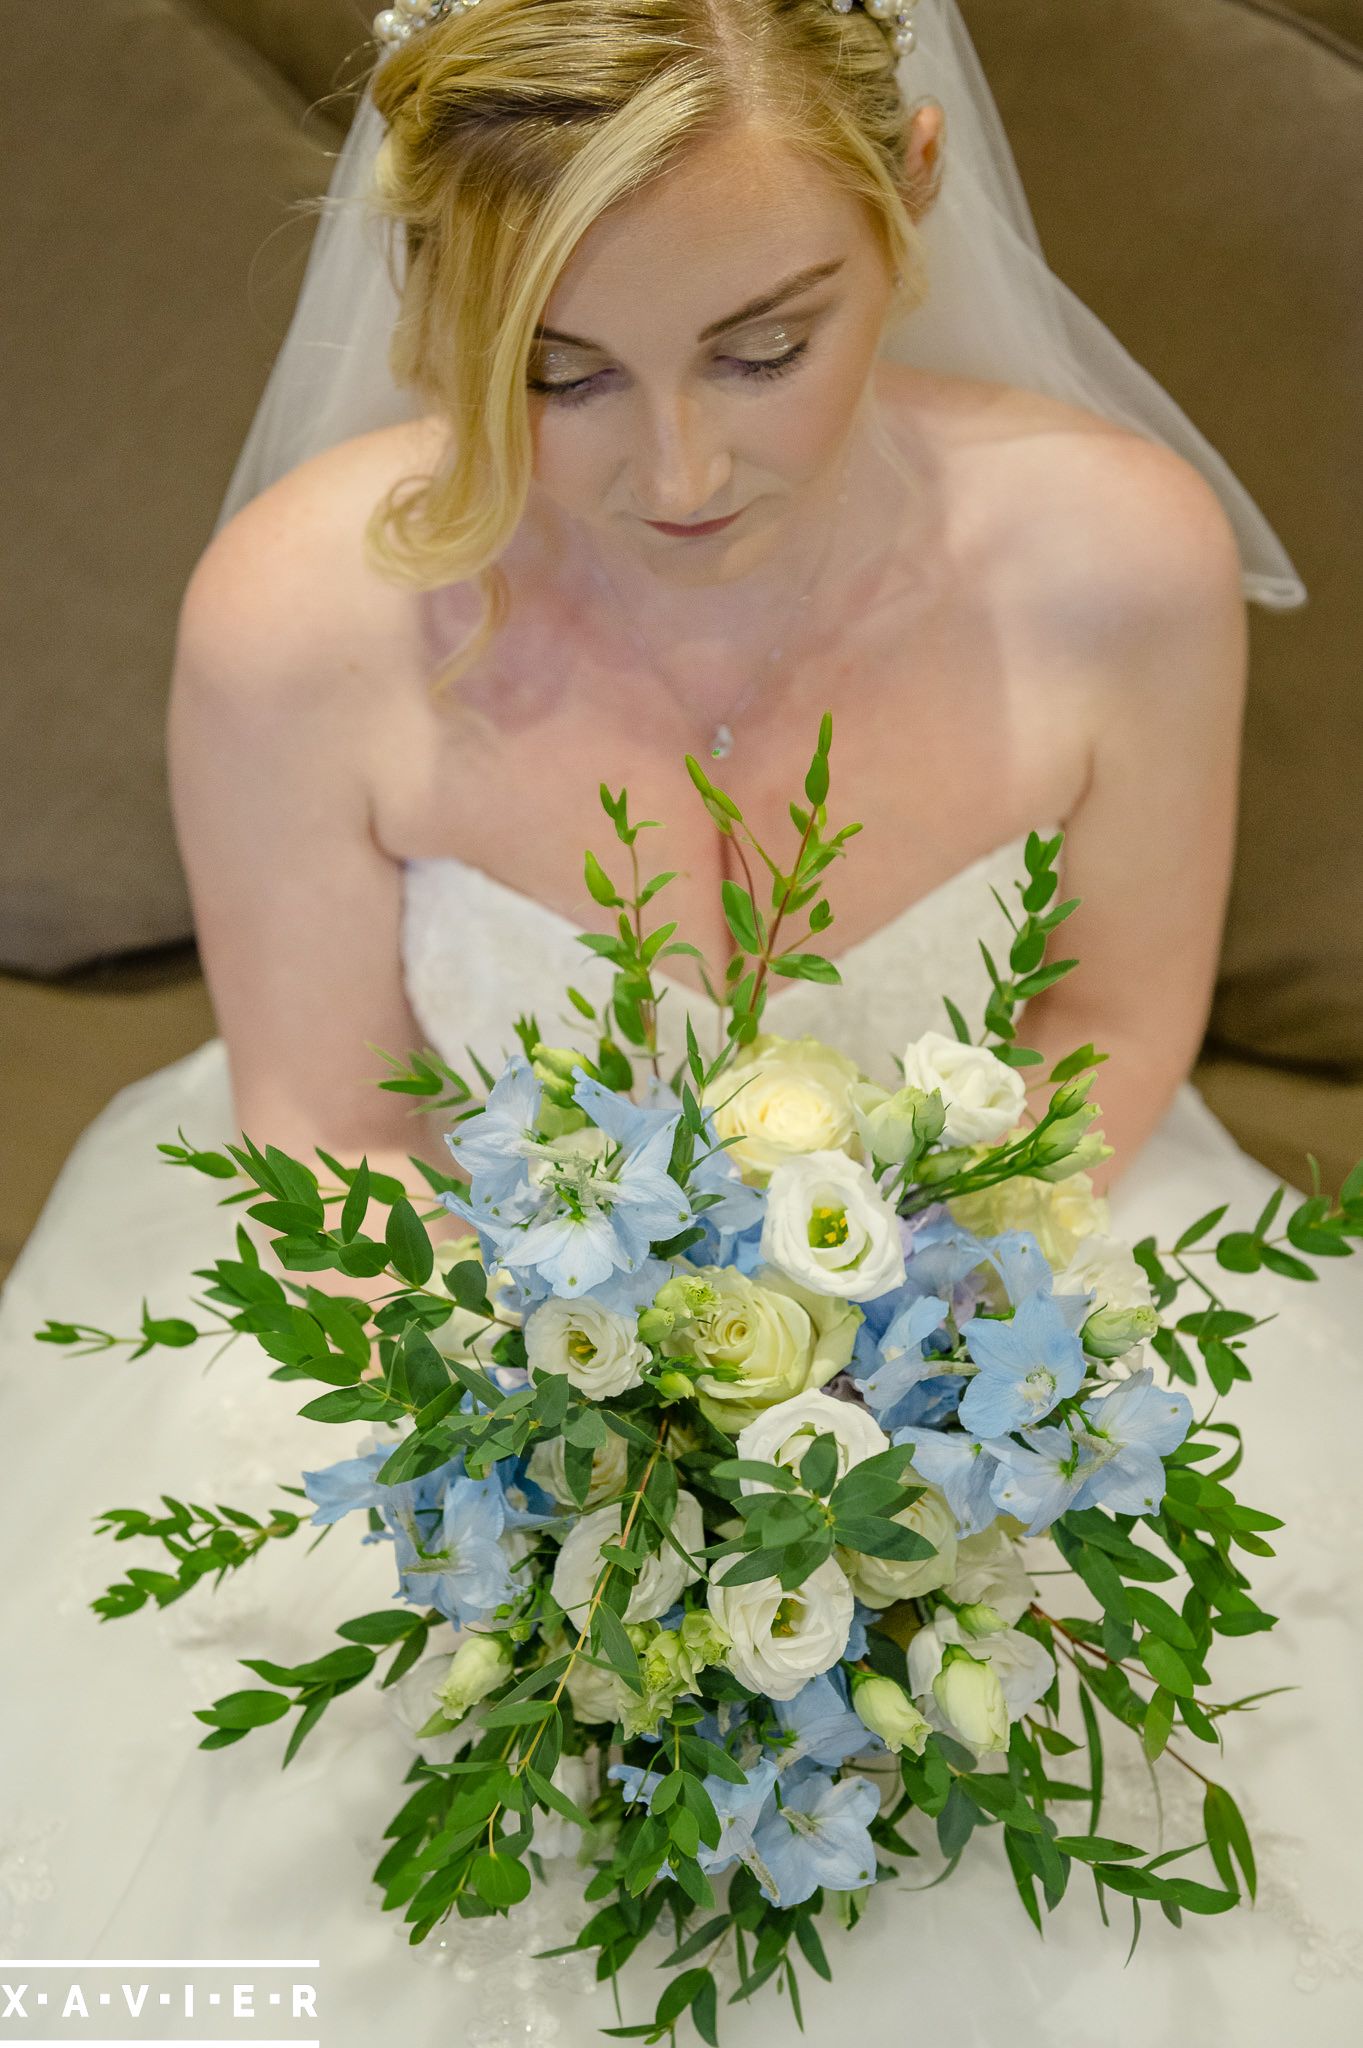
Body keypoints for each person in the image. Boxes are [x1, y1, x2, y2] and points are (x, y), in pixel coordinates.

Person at [0, 4, 1358, 2042]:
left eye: (763, 341)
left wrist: (912, 1390)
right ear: (431, 277)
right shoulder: (299, 624)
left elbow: (1101, 1015)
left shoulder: (1113, 564)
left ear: (905, 190)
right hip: (441, 1305)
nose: (681, 466)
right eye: (556, 368)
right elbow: (324, 1125)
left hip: (1012, 1277)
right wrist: (590, 1463)